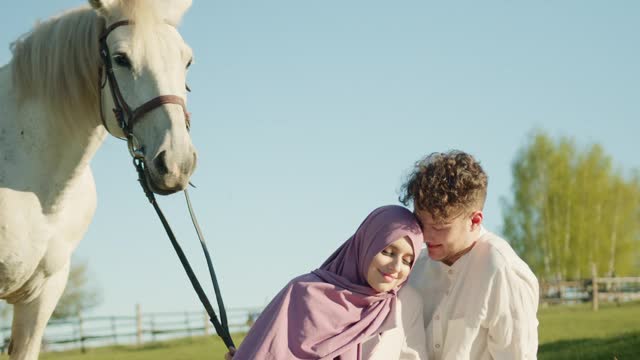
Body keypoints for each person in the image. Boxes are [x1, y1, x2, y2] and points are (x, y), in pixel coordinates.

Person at [226, 205, 427, 360]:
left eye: (407, 260)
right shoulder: (302, 294)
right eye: (387, 252)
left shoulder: (404, 305)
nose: (396, 266)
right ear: (365, 244)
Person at [400, 150, 539, 359]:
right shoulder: (414, 268)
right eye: (420, 222)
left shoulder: (501, 269)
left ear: (475, 221)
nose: (426, 235)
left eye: (439, 226)